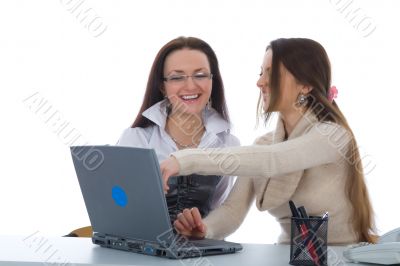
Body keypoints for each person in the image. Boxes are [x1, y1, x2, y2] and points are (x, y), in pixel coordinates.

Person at [160, 38, 377, 244]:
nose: (260, 82)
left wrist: (183, 160)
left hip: (340, 256)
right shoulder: (264, 145)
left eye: (271, 74)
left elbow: (274, 160)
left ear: (305, 85)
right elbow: (232, 211)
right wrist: (205, 229)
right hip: (287, 255)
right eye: (261, 72)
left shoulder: (333, 136)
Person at [116, 36, 239, 224]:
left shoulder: (229, 144)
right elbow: (117, 207)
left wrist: (202, 229)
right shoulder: (135, 140)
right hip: (142, 251)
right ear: (162, 86)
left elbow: (220, 212)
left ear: (212, 81)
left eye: (200, 75)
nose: (190, 86)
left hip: (204, 250)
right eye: (176, 77)